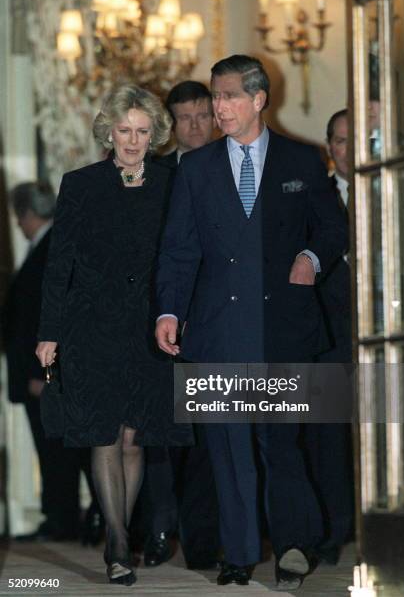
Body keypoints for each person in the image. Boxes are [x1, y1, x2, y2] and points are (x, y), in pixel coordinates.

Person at [155, 55, 348, 590]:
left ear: (259, 99)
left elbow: (332, 230)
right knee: (226, 448)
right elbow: (178, 250)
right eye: (215, 96)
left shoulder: (302, 161)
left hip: (282, 327)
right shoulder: (194, 169)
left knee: (280, 444)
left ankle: (291, 546)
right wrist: (169, 311)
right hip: (216, 329)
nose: (218, 107)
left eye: (230, 96)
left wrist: (310, 258)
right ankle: (238, 554)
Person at [36, 84, 192, 586]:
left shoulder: (172, 183)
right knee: (104, 432)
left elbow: (182, 256)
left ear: (155, 135)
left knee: (133, 437)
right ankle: (119, 539)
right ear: (110, 131)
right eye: (124, 130)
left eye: (142, 131)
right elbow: (59, 265)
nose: (132, 139)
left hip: (149, 328)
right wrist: (49, 332)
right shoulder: (80, 184)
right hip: (91, 327)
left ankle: (119, 530)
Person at [142, 80, 219, 570]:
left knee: (212, 438)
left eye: (201, 115)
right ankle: (158, 528)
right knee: (163, 440)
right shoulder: (154, 177)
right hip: (163, 324)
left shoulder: (238, 167)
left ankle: (205, 540)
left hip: (215, 322)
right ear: (171, 124)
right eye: (183, 118)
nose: (194, 127)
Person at [2, 181, 83, 541]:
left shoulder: (49, 250)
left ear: (27, 213)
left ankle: (62, 520)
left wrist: (43, 374)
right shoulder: (47, 247)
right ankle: (61, 518)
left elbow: (48, 319)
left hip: (44, 375)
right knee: (55, 449)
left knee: (57, 452)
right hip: (41, 373)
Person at [304, 108, 354, 564]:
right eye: (340, 140)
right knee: (329, 440)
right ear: (329, 149)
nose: (351, 148)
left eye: (359, 138)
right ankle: (334, 531)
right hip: (329, 334)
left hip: (390, 333)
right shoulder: (314, 197)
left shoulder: (401, 187)